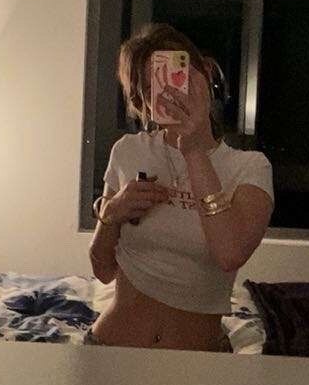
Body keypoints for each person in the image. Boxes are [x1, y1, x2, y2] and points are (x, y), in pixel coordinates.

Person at [87, 23, 274, 351]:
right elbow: (102, 270)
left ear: (205, 74)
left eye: (179, 75)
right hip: (112, 350)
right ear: (144, 102)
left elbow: (230, 254)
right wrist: (111, 215)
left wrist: (193, 150)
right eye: (152, 86)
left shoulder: (250, 167)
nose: (171, 93)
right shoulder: (128, 151)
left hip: (196, 365)